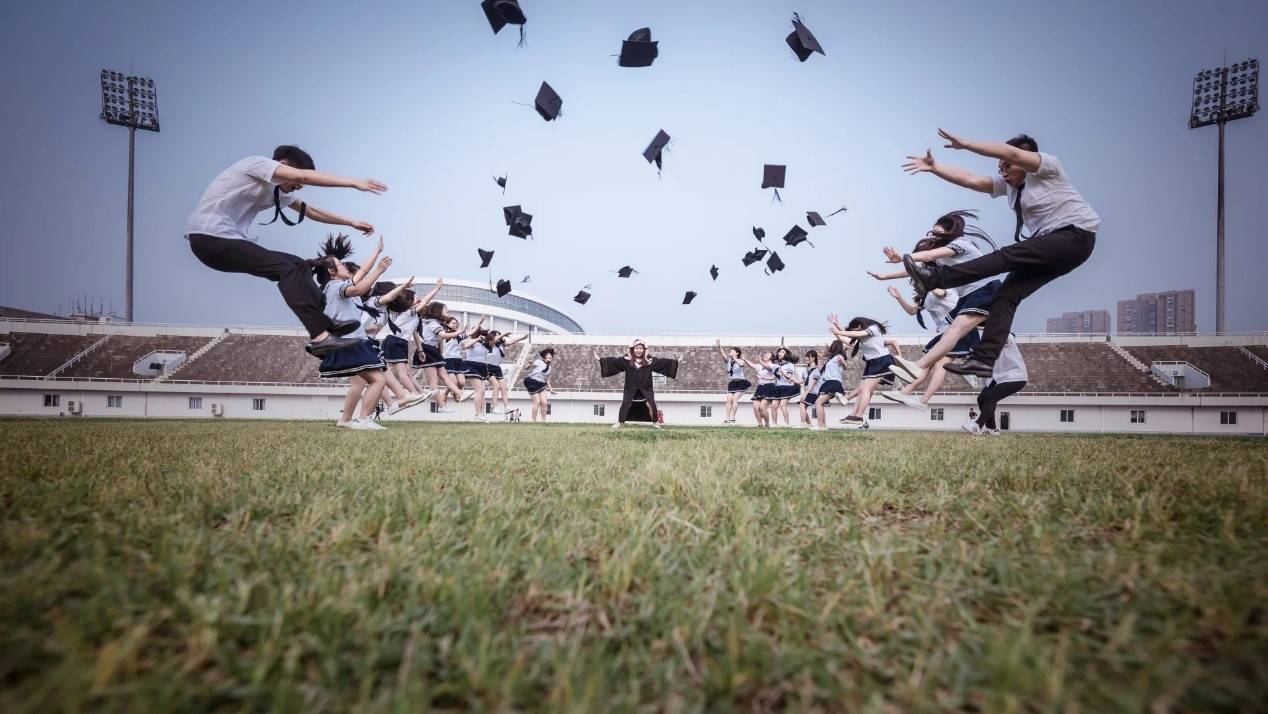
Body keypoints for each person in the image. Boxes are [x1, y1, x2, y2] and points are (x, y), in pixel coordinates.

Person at [901, 130, 1100, 376]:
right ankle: (984, 360)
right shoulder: (1010, 188)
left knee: (1006, 256)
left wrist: (967, 144)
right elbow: (972, 179)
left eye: (1007, 167)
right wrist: (936, 168)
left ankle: (937, 279)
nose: (1003, 172)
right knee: (1006, 296)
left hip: (1073, 236)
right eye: (999, 169)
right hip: (1055, 249)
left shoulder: (1048, 168)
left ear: (1026, 160)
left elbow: (1011, 152)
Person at [184, 145, 387, 355]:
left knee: (299, 265)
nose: (299, 186)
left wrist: (351, 222)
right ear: (283, 165)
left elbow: (312, 211)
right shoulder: (256, 164)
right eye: (296, 181)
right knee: (286, 270)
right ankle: (320, 336)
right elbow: (306, 177)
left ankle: (326, 322)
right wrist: (354, 183)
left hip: (227, 241)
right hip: (210, 238)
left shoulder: (276, 191)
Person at [868, 210, 999, 383]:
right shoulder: (943, 257)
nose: (933, 236)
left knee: (954, 330)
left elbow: (927, 256)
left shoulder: (962, 243)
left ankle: (920, 365)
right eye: (932, 233)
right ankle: (982, 361)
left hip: (984, 289)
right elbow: (915, 268)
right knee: (956, 332)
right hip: (968, 297)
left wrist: (903, 257)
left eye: (937, 232)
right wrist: (884, 277)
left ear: (950, 231)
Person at [310, 238, 392, 430]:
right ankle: (363, 420)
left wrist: (376, 252)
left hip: (349, 341)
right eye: (340, 264)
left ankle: (345, 420)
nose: (345, 265)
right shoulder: (336, 287)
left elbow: (362, 272)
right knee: (378, 380)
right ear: (331, 272)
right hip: (350, 342)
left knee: (367, 381)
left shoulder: (332, 287)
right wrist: (379, 270)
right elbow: (360, 288)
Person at [879, 283, 977, 410]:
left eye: (917, 280)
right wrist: (898, 297)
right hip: (946, 333)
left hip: (959, 332)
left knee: (940, 364)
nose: (915, 284)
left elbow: (941, 293)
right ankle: (904, 393)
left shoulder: (942, 290)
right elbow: (912, 311)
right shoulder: (926, 298)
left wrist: (927, 280)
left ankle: (923, 400)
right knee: (925, 366)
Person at [828, 315, 903, 429]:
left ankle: (858, 415)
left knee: (866, 390)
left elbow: (855, 333)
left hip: (882, 362)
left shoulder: (873, 328)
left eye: (854, 329)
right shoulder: (863, 340)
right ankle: (854, 415)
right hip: (872, 364)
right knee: (863, 390)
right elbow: (849, 340)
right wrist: (836, 326)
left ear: (859, 326)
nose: (852, 331)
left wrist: (899, 356)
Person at [594, 339, 679, 428]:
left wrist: (675, 362)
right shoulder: (627, 361)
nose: (638, 350)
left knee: (651, 404)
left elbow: (663, 363)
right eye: (636, 348)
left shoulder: (649, 361)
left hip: (646, 388)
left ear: (644, 350)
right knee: (626, 403)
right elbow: (615, 362)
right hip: (631, 387)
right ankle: (620, 422)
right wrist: (601, 360)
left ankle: (655, 423)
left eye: (641, 348)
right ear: (633, 349)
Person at [963, 335, 1028, 436]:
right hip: (998, 377)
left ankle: (977, 426)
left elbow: (1003, 337)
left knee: (991, 398)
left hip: (1016, 376)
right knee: (981, 399)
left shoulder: (1008, 338)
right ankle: (991, 428)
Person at [811, 340, 849, 430]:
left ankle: (821, 426)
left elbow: (846, 366)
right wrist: (820, 359)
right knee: (820, 403)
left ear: (835, 347)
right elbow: (820, 369)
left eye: (832, 345)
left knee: (818, 403)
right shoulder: (830, 359)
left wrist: (843, 362)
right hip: (828, 382)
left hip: (833, 381)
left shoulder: (838, 356)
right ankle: (823, 425)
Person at [715, 340, 752, 424]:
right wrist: (719, 347)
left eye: (732, 351)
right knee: (729, 400)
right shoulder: (728, 361)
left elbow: (741, 365)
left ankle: (733, 418)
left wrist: (735, 358)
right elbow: (723, 355)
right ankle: (727, 418)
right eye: (730, 351)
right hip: (732, 383)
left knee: (735, 399)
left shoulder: (741, 360)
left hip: (741, 383)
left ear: (737, 353)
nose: (730, 352)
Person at [523, 348, 556, 422]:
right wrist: (529, 363)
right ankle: (534, 421)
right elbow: (526, 368)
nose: (549, 356)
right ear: (544, 356)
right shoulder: (538, 361)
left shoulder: (550, 368)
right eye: (548, 355)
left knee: (544, 403)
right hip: (531, 382)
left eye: (550, 355)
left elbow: (546, 379)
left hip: (541, 384)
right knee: (537, 402)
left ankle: (543, 421)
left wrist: (551, 390)